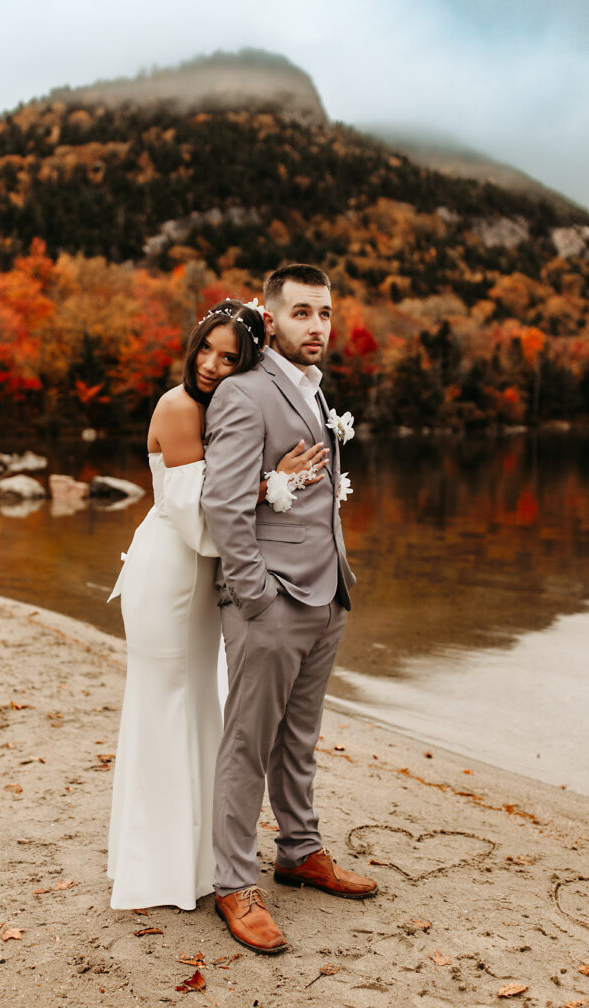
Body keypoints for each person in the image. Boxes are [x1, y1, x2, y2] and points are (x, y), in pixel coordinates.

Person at [106, 298, 328, 912]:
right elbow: (202, 522)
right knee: (169, 705)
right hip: (172, 571)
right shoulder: (178, 408)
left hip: (204, 576)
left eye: (229, 357)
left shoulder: (224, 409)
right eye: (205, 347)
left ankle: (201, 857)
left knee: (203, 704)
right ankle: (159, 865)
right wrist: (270, 484)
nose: (210, 364)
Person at [201, 264, 378, 954]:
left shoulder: (314, 391)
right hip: (269, 599)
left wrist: (336, 583)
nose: (317, 326)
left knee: (298, 739)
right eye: (301, 313)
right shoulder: (246, 392)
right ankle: (233, 883)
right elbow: (222, 502)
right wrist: (254, 594)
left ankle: (299, 852)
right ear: (270, 320)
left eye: (325, 313)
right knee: (248, 743)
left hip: (327, 592)